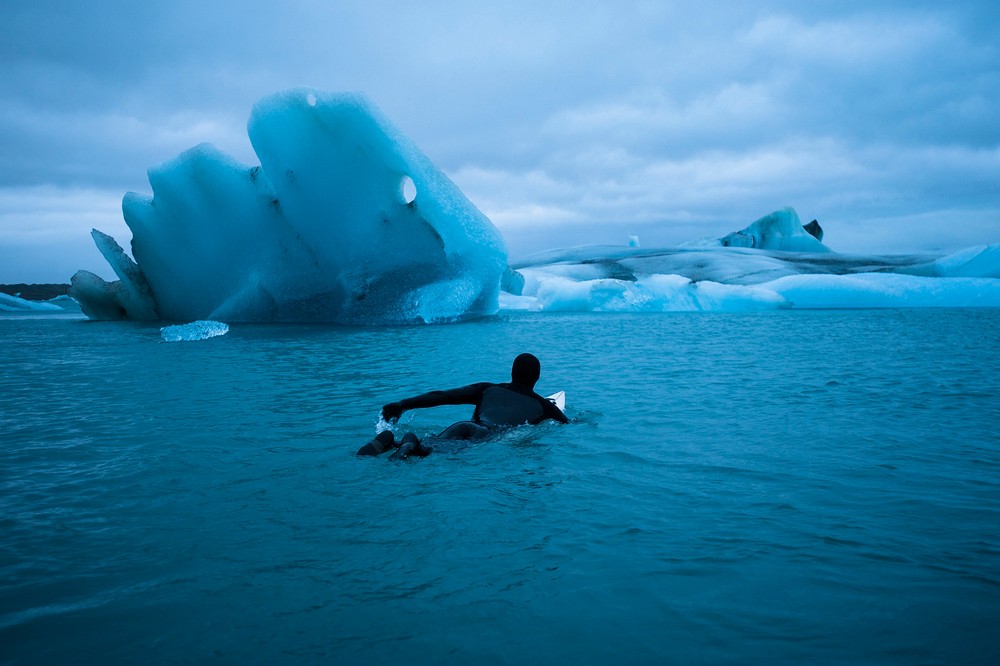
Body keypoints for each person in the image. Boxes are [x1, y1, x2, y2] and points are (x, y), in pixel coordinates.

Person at [357, 353, 568, 459]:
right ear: (537, 377)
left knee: (431, 443)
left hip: (463, 425)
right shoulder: (544, 407)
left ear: (512, 372)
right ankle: (409, 444)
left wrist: (403, 404)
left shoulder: (487, 388)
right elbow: (570, 424)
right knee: (433, 453)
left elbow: (442, 396)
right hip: (482, 436)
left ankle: (396, 442)